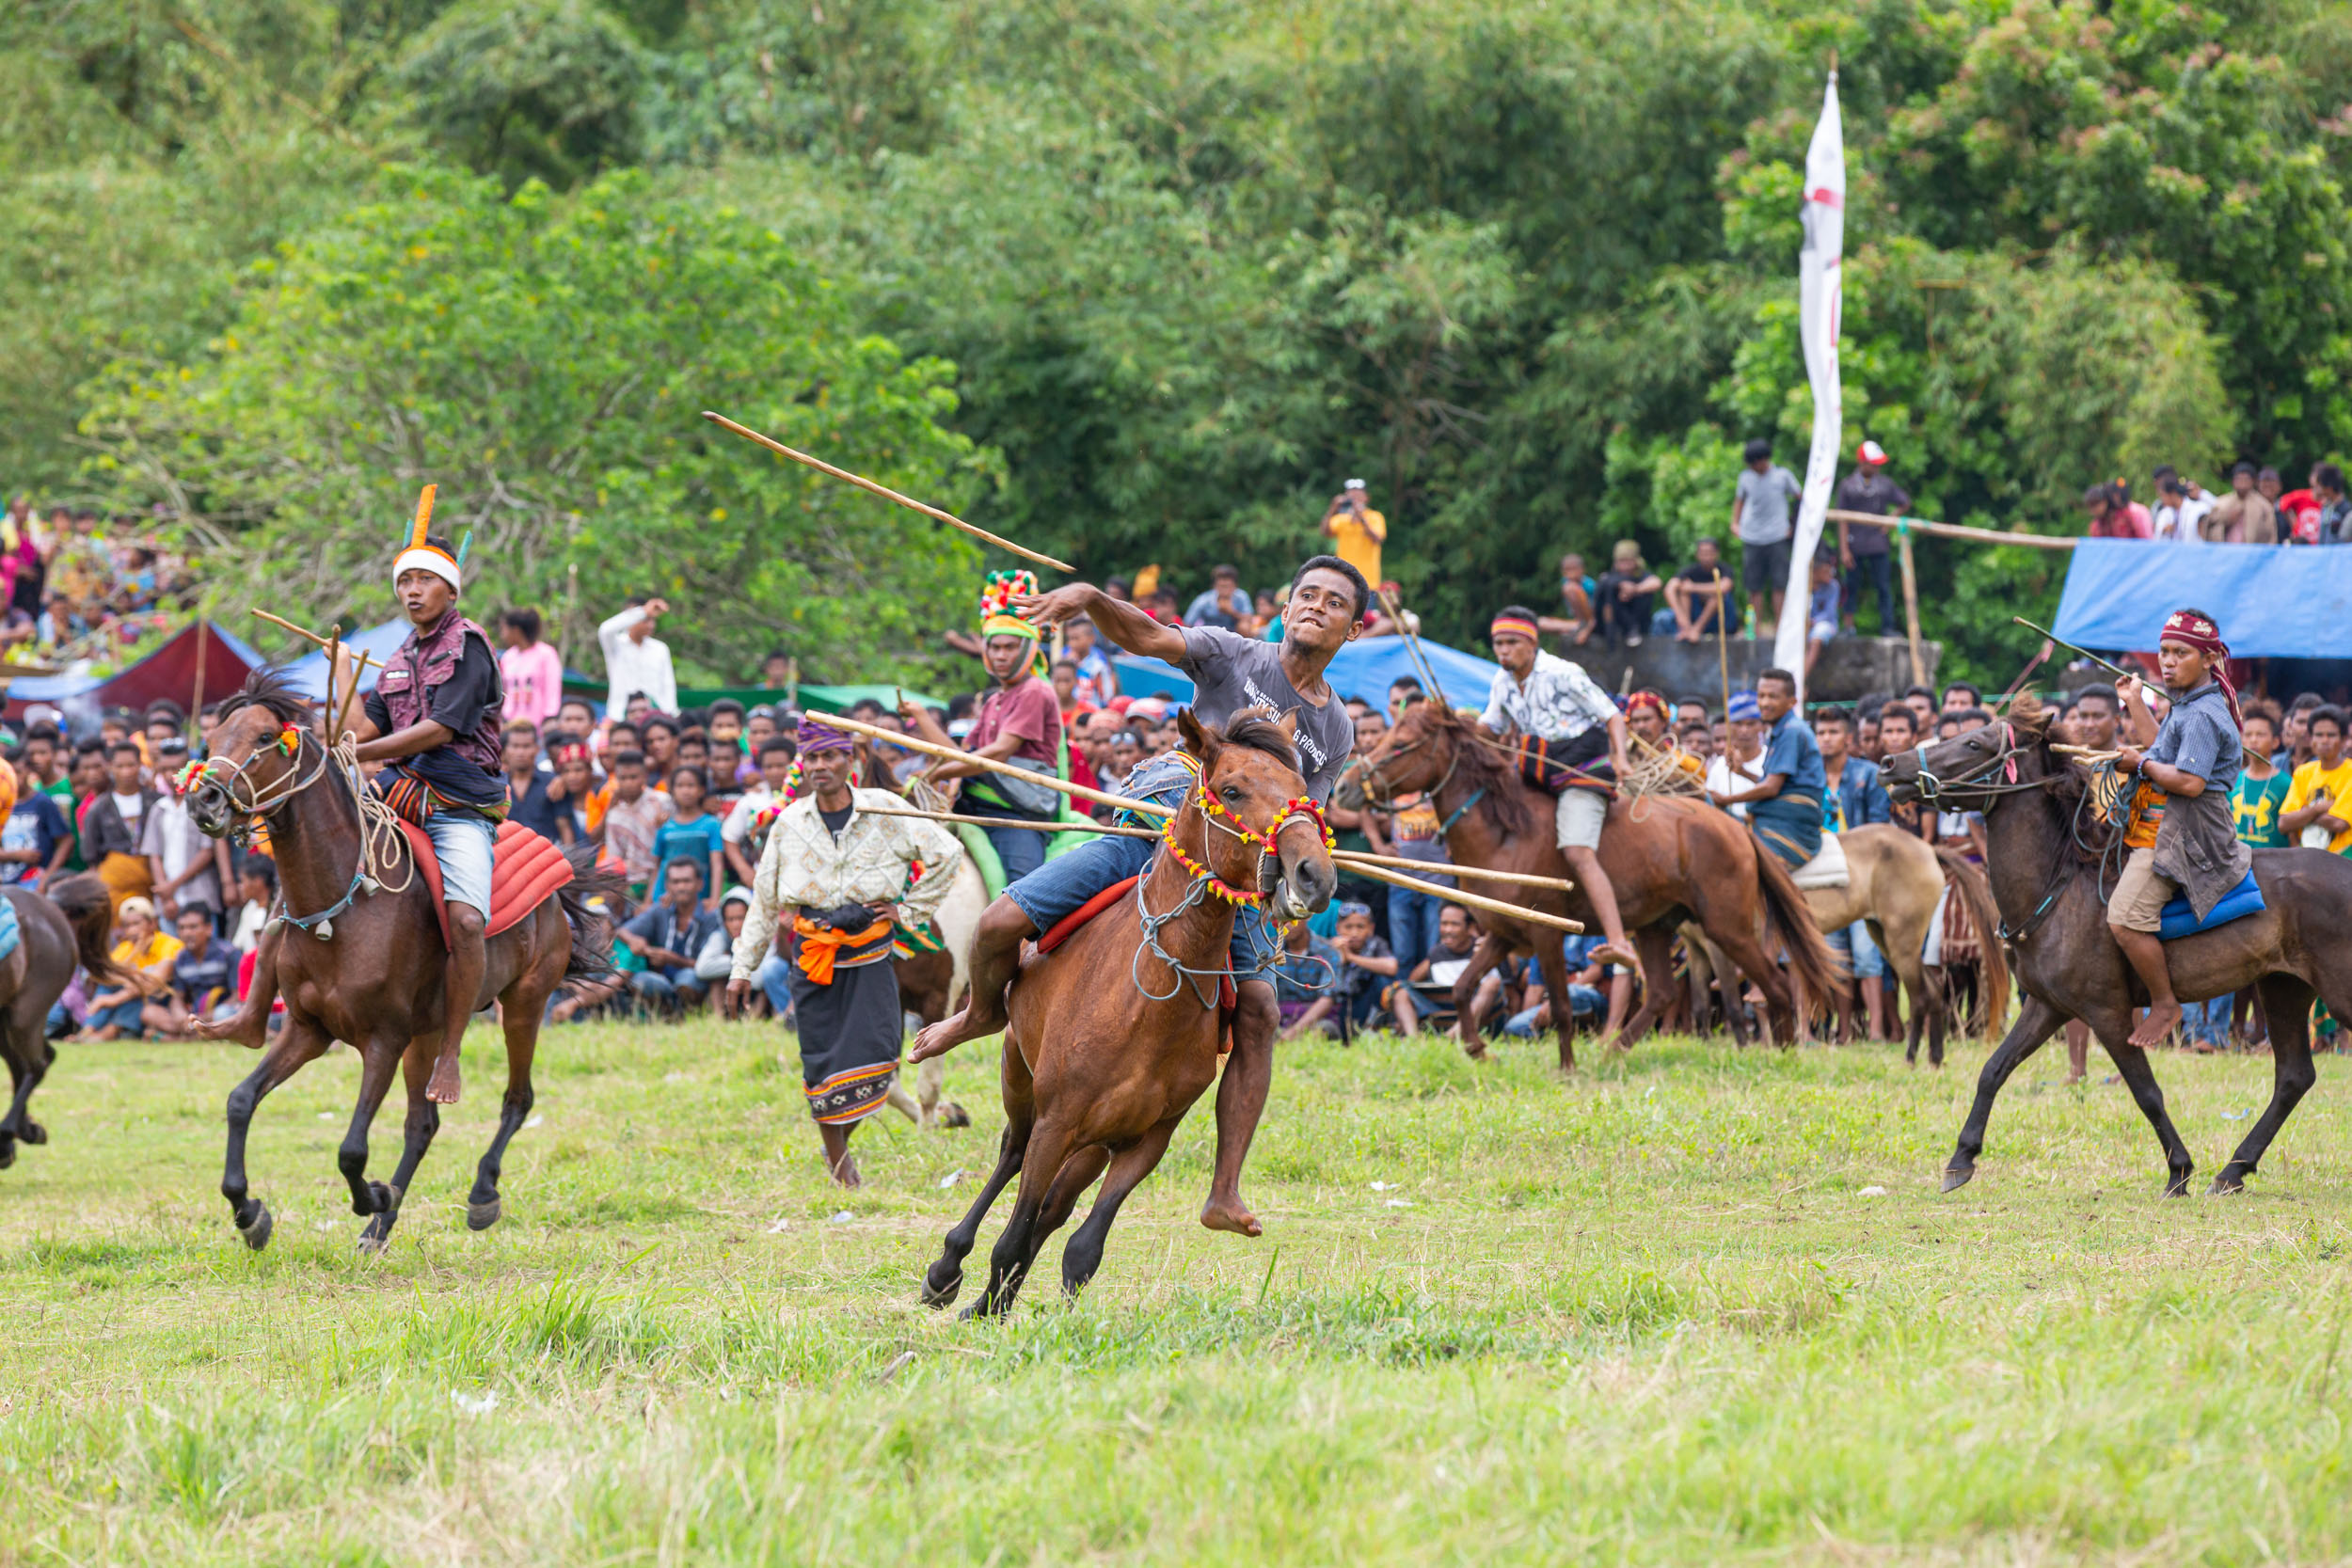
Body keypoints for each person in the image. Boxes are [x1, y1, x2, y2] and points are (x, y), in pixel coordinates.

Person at [913, 554, 1366, 1238]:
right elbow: (1148, 636)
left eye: (1333, 601)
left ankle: (1224, 1189)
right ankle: (980, 1013)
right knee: (1002, 920)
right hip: (1155, 830)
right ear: (1284, 606)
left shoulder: (1336, 730)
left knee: (1262, 1008)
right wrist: (1092, 599)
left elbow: (1304, 820)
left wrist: (1288, 894)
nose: (1315, 606)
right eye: (1306, 594)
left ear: (1353, 628)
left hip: (1232, 877)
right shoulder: (1234, 653)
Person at [727, 717, 963, 1186]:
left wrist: (908, 910)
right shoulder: (790, 822)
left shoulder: (885, 809)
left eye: (829, 756)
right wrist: (741, 969)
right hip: (812, 954)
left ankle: (836, 1140)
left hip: (871, 953)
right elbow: (764, 900)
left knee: (879, 1057)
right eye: (811, 758)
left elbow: (947, 853)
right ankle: (839, 1161)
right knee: (822, 1062)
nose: (820, 766)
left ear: (849, 760)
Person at [334, 521, 508, 1104]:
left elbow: (437, 731)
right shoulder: (399, 656)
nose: (412, 590)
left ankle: (452, 1051)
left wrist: (361, 752)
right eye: (404, 580)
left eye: (425, 579)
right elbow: (362, 728)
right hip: (398, 795)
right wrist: (341, 680)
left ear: (451, 592)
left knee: (464, 920)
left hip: (459, 803)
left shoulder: (471, 646)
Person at [2106, 609, 2254, 1049]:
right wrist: (2134, 701)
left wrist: (2141, 764)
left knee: (2125, 919)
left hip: (2190, 831)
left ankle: (2165, 1003)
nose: (2167, 662)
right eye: (2164, 652)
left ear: (2209, 659)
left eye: (2181, 653)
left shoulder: (2205, 714)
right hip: (2162, 821)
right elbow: (2161, 749)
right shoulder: (2185, 706)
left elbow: (2189, 782)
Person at [1479, 607, 1638, 971]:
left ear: (1531, 644)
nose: (1503, 651)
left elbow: (1611, 714)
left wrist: (1622, 757)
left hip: (1581, 770)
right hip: (1536, 774)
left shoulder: (1563, 673)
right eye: (1498, 643)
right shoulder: (1501, 682)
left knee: (1578, 851)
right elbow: (1489, 727)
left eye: (1511, 643)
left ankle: (1618, 941)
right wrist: (1451, 723)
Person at [910, 572, 1065, 884]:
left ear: (1027, 648)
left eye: (1009, 647)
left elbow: (999, 752)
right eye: (994, 647)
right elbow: (961, 755)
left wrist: (941, 773)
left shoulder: (1034, 690)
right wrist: (920, 716)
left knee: (1024, 895)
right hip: (977, 808)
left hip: (1018, 817)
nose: (1000, 655)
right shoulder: (994, 701)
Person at [1817, 705, 1892, 1038]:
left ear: (1848, 738)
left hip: (1863, 877)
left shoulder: (1868, 774)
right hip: (1824, 875)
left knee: (1867, 957)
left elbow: (1878, 825)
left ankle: (1875, 1031)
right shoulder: (1810, 777)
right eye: (1820, 733)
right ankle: (1844, 1031)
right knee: (1837, 958)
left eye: (1833, 732)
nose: (1826, 739)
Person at [1709, 670, 1827, 868]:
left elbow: (1772, 788)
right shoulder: (1781, 730)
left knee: (1745, 864)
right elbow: (1782, 784)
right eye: (1761, 695)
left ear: (1791, 702)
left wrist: (1725, 800)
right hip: (1774, 815)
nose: (1764, 703)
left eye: (1773, 697)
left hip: (1790, 826)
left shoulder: (1792, 732)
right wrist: (1742, 773)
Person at [621, 858, 720, 1017]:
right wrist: (635, 941)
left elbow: (708, 965)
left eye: (687, 881)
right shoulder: (661, 911)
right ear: (667, 886)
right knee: (640, 981)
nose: (681, 887)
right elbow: (623, 931)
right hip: (662, 979)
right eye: (676, 882)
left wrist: (673, 959)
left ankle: (688, 1017)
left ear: (700, 884)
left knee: (687, 981)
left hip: (695, 978)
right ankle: (669, 1017)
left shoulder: (710, 916)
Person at [80, 896, 182, 1041]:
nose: (131, 930)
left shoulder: (170, 944)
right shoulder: (125, 947)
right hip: (133, 992)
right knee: (110, 986)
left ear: (152, 923)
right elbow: (105, 974)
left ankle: (109, 1032)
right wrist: (130, 977)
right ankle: (87, 1030)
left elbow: (154, 982)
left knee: (138, 990)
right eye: (127, 926)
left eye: (136, 924)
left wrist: (113, 999)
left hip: (160, 998)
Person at [1835, 439, 1909, 634]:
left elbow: (1904, 502)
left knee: (1883, 586)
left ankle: (1887, 626)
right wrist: (1844, 549)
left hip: (1878, 543)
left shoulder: (1885, 484)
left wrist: (1889, 521)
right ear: (1862, 463)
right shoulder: (1847, 485)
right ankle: (1848, 626)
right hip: (1854, 544)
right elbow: (1842, 519)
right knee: (1851, 586)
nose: (1876, 468)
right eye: (1873, 464)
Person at [1732, 437, 1801, 631]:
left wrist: (1793, 526)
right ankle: (1754, 628)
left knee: (1780, 584)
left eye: (1758, 462)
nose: (1755, 467)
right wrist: (1734, 523)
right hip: (1752, 536)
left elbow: (1799, 499)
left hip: (1777, 535)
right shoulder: (1745, 477)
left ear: (1765, 459)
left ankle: (1781, 627)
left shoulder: (1782, 476)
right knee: (1754, 587)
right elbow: (1739, 501)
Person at [80, 741, 155, 913]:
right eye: (120, 766)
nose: (126, 772)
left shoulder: (155, 802)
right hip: (115, 881)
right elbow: (91, 855)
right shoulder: (98, 808)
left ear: (140, 765)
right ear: (110, 767)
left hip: (150, 879)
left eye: (131, 765)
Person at [1391, 903, 1480, 1035]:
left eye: (1455, 924)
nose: (1448, 930)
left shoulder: (1482, 949)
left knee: (1492, 984)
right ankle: (1413, 1040)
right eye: (1444, 924)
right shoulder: (1436, 953)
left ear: (1470, 927)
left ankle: (1452, 1036)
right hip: (1442, 1012)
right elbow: (1411, 981)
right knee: (1401, 991)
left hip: (1475, 1015)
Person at [151, 905, 236, 1037]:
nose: (187, 933)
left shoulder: (228, 953)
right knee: (149, 1012)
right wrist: (181, 1015)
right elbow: (178, 996)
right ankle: (195, 1032)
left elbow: (239, 995)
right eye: (182, 928)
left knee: (223, 1014)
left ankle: (186, 1034)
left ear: (209, 929)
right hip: (195, 1015)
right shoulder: (181, 958)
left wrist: (205, 1018)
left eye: (193, 927)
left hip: (223, 1013)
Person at [599, 749, 674, 897]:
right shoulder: (614, 815)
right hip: (631, 881)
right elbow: (615, 856)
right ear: (616, 779)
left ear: (645, 777)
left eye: (634, 777)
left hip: (663, 875)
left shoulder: (662, 802)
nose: (628, 783)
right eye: (623, 778)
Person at [723, 738, 798, 885]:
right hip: (763, 880)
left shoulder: (807, 795)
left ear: (794, 766)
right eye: (768, 767)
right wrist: (745, 871)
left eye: (781, 766)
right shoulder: (752, 799)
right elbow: (729, 837)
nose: (774, 771)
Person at [651, 765, 727, 908]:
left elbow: (717, 864)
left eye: (691, 785)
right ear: (672, 790)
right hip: (664, 898)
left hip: (699, 898)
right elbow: (657, 866)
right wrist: (648, 901)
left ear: (701, 790)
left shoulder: (711, 824)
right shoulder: (665, 826)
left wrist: (714, 899)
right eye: (680, 786)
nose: (685, 791)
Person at [2280, 705, 2352, 854]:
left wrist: (2303, 813)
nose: (2324, 741)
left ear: (2344, 739)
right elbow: (2284, 823)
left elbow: (2339, 824)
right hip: (2307, 862)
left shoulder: (2350, 772)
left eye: (2331, 735)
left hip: (2344, 863)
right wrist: (2318, 809)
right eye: (2319, 735)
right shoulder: (2303, 772)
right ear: (2311, 738)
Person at [597, 597, 676, 718]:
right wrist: (643, 612)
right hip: (620, 716)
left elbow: (668, 684)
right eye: (645, 620)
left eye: (652, 620)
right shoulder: (616, 644)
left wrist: (670, 712)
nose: (651, 625)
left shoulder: (660, 648)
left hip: (654, 716)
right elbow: (605, 629)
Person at [1270, 919, 1341, 1039]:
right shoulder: (1270, 949)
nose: (1287, 926)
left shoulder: (1327, 950)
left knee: (1325, 1029)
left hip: (1316, 1021)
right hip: (1278, 1020)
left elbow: (1328, 998)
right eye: (1282, 921)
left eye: (1291, 920)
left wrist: (1294, 1032)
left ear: (1307, 917)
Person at [497, 608, 564, 727]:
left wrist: (549, 718)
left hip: (539, 724)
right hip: (510, 723)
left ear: (515, 630)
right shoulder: (508, 656)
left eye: (504, 629)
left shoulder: (546, 654)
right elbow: (504, 690)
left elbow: (552, 689)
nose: (502, 635)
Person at [501, 721, 564, 842]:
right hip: (505, 856)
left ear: (537, 748)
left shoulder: (552, 783)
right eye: (515, 746)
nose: (521, 752)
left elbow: (564, 825)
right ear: (505, 750)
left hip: (546, 856)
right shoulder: (496, 785)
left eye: (526, 746)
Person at [1592, 540, 1661, 647]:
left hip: (1639, 621)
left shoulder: (1641, 575)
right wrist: (1620, 586)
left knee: (1645, 593)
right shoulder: (1609, 577)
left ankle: (1632, 629)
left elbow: (1656, 582)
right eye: (1621, 562)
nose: (1625, 566)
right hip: (1613, 623)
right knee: (1607, 587)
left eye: (1628, 562)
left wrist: (1634, 590)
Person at [1664, 539, 1733, 642]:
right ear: (1697, 554)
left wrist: (1693, 587)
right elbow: (1669, 588)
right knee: (1683, 593)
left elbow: (1725, 587)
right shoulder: (1690, 570)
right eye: (1703, 553)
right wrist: (1680, 617)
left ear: (1716, 554)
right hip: (1694, 613)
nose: (1706, 557)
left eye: (1710, 553)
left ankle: (1697, 630)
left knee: (1717, 595)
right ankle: (1686, 629)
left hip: (1721, 616)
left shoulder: (1724, 569)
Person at [1320, 479, 1387, 587]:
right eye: (1351, 496)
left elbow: (1378, 539)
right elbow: (1325, 532)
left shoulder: (1375, 517)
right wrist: (1332, 509)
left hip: (1368, 582)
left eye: (1358, 496)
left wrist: (1362, 519)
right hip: (1343, 579)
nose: (1355, 499)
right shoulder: (1342, 519)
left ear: (1366, 498)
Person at [2201, 463, 2277, 544]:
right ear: (2233, 481)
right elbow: (2208, 527)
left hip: (2253, 552)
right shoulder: (2221, 503)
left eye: (2245, 479)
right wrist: (2227, 519)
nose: (2242, 482)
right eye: (2239, 479)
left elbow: (2271, 535)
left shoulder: (2263, 506)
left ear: (2253, 481)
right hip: (2225, 551)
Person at [1537, 551, 1597, 646]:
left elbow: (1596, 614)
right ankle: (1573, 629)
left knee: (1571, 588)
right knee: (1540, 622)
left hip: (1591, 622)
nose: (1570, 574)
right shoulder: (1565, 582)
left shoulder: (1590, 586)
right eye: (1567, 570)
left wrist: (1586, 631)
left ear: (1581, 569)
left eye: (1573, 569)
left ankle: (1582, 626)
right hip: (1576, 622)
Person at [1803, 550, 1840, 676]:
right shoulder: (1804, 587)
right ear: (1815, 571)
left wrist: (1812, 622)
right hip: (1805, 625)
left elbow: (1829, 613)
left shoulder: (1833, 587)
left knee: (1816, 638)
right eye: (1825, 570)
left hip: (1825, 624)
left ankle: (1802, 677)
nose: (1829, 573)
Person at [1184, 565, 1252, 630]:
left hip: (1235, 636)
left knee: (1244, 626)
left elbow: (1250, 619)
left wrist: (1232, 613)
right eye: (1222, 586)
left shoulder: (1241, 596)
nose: (1224, 591)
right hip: (1210, 636)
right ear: (1214, 586)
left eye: (1228, 586)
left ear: (1235, 586)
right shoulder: (1204, 600)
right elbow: (1188, 623)